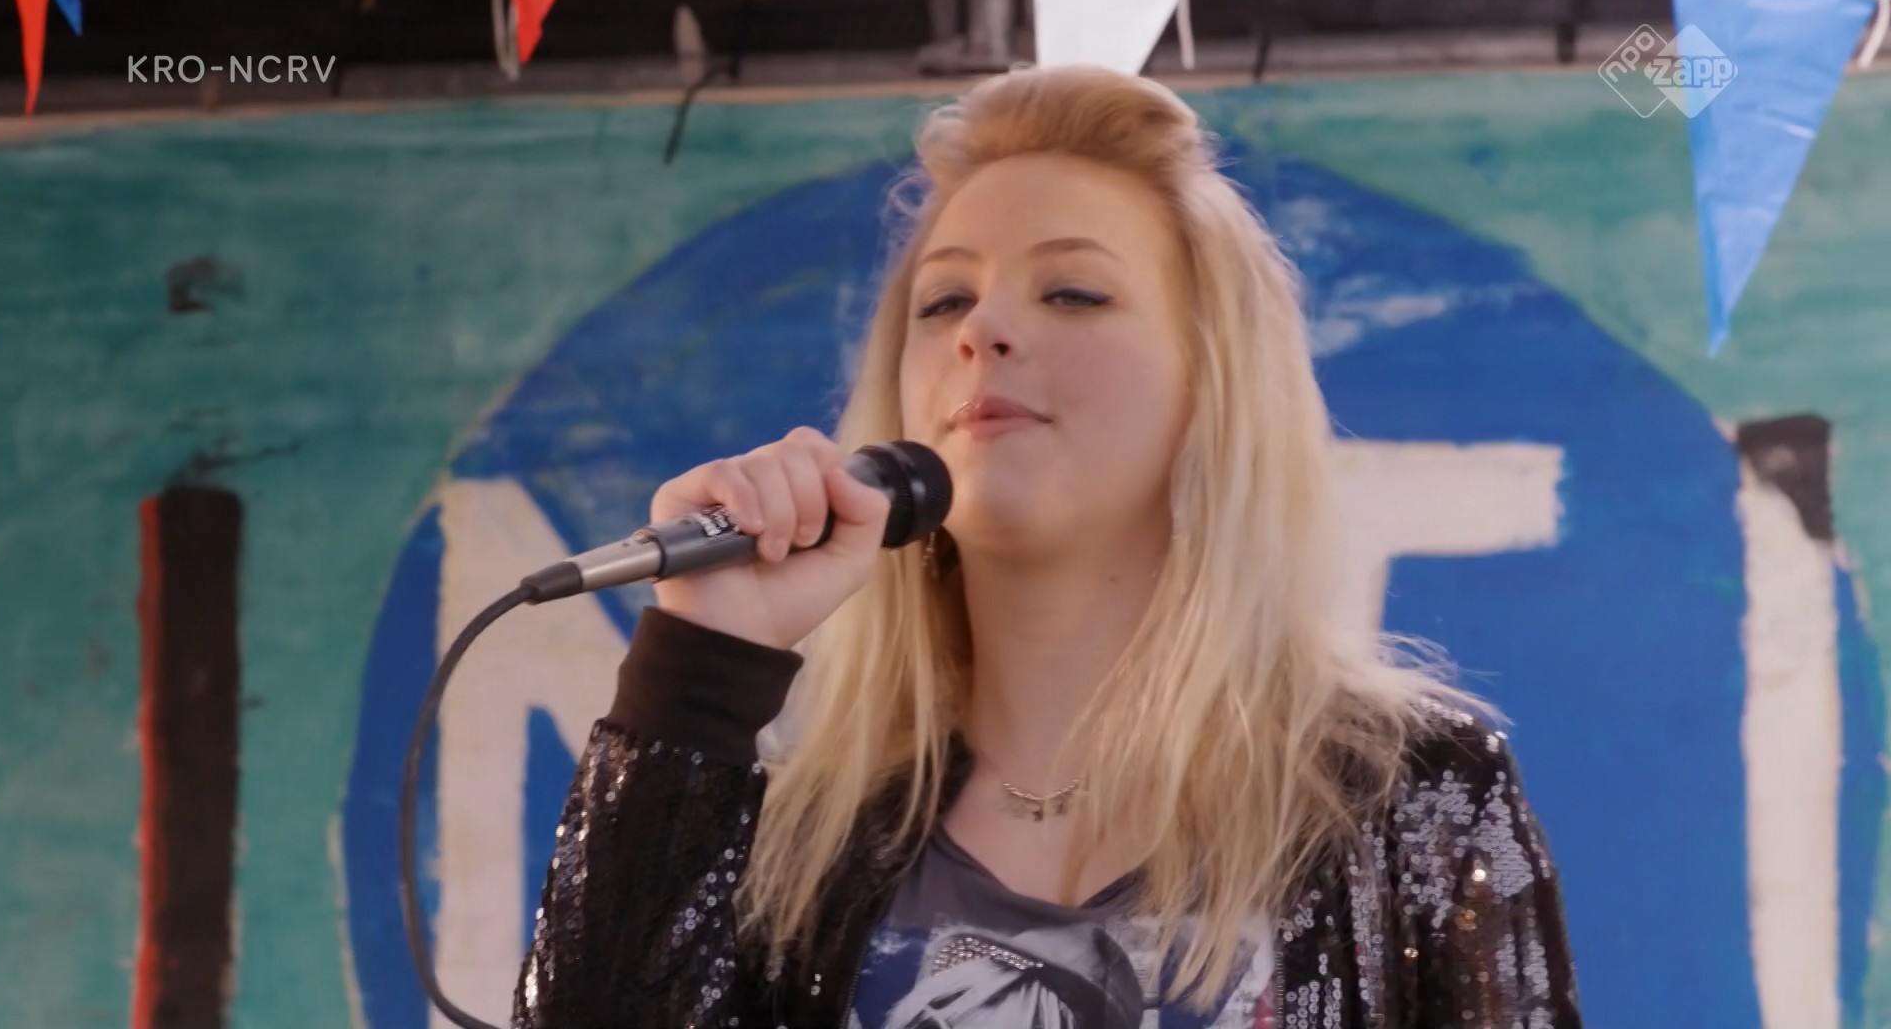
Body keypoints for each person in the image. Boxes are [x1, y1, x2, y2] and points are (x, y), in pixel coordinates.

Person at [511, 65, 1582, 1029]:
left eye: (1073, 291)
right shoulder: (793, 842)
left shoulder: (1414, 795)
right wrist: (704, 664)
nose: (981, 330)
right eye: (945, 300)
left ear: (1214, 382)